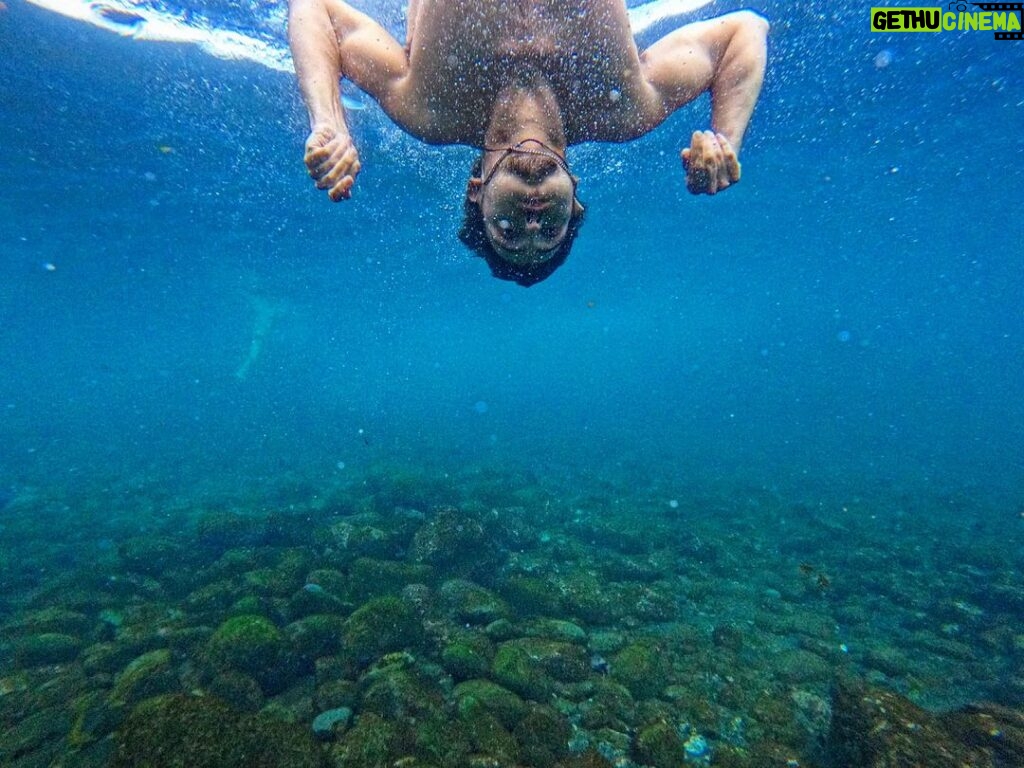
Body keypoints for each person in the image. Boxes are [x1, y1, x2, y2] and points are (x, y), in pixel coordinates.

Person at [288, 0, 768, 285]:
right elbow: (744, 30)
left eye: (509, 232)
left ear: (476, 192)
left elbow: (317, 11)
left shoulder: (429, 110)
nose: (532, 219)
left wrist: (329, 123)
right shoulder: (623, 109)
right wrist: (726, 137)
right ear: (574, 203)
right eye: (549, 232)